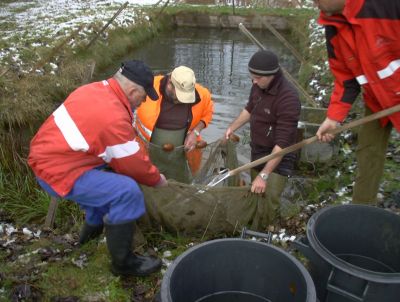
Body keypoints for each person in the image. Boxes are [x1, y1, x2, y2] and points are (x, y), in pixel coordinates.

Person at [28, 60, 168, 277]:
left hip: (51, 158)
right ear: (132, 91)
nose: (142, 102)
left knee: (107, 187)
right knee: (127, 192)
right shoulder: (112, 116)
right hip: (57, 171)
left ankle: (86, 241)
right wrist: (158, 179)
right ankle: (123, 264)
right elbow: (134, 164)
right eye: (143, 97)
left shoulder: (94, 89)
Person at [314, 0, 400, 204]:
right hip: (377, 100)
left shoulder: (386, 6)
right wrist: (334, 117)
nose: (313, 1)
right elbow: (345, 79)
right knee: (367, 153)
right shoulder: (332, 27)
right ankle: (361, 212)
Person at [224, 50, 301, 222]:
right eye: (252, 76)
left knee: (269, 199)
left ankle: (267, 230)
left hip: (279, 156)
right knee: (255, 194)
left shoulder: (288, 98)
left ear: (272, 75)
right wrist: (232, 127)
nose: (254, 81)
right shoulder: (258, 85)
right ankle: (254, 226)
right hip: (257, 151)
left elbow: (283, 144)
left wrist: (264, 175)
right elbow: (250, 108)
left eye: (258, 78)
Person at [134, 65, 214, 182]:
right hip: (146, 152)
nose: (182, 100)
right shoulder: (148, 86)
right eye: (180, 95)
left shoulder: (202, 94)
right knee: (147, 183)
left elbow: (208, 113)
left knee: (181, 183)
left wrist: (196, 132)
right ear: (170, 83)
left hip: (181, 155)